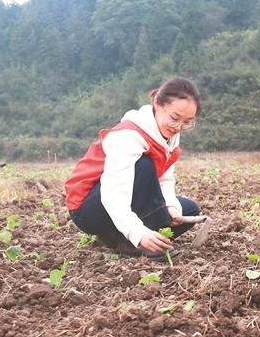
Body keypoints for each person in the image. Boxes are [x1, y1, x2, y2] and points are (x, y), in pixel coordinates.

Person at [65, 77, 202, 259]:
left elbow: (164, 179)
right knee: (143, 166)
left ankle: (119, 237)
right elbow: (113, 195)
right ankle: (135, 239)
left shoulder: (168, 136)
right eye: (174, 118)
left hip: (126, 199)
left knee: (189, 210)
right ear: (157, 103)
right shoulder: (128, 137)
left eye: (187, 122)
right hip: (89, 209)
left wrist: (171, 207)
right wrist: (139, 234)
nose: (178, 127)